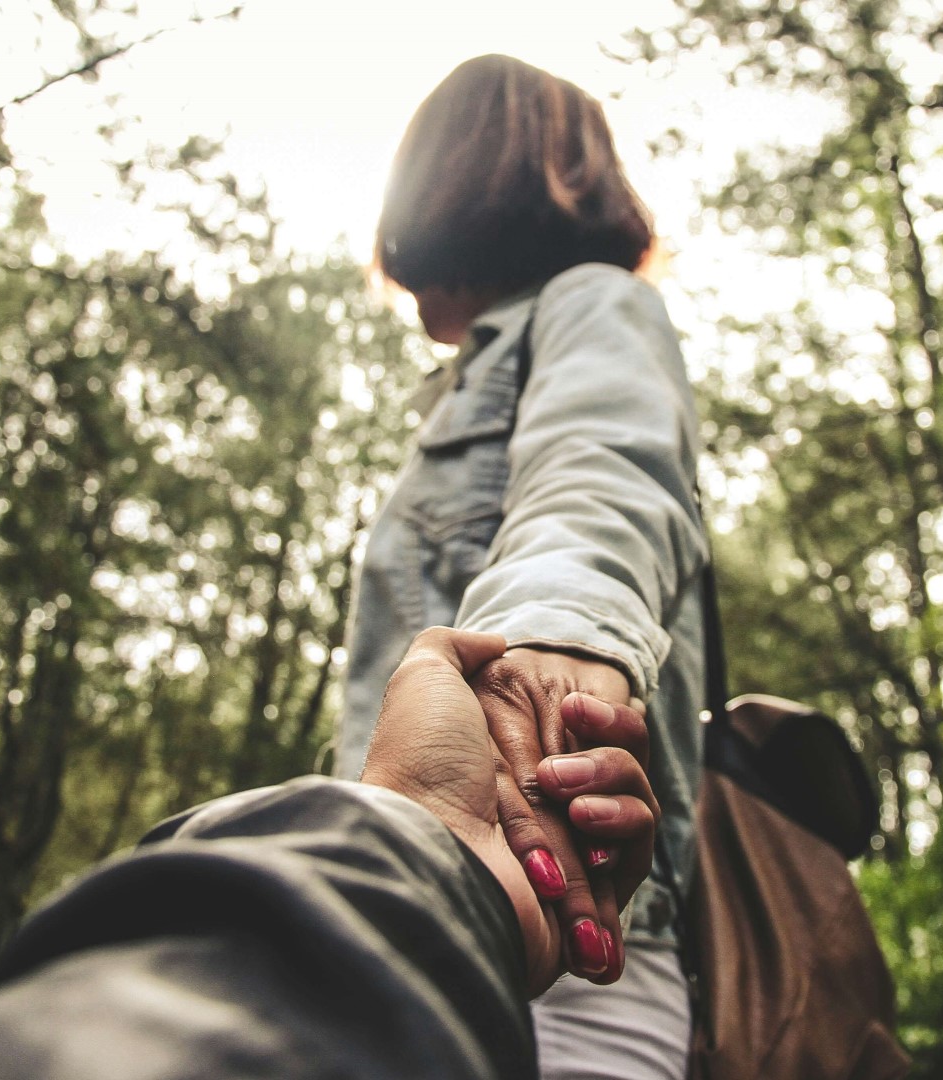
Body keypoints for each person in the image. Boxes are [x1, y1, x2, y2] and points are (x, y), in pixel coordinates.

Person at [335, 54, 709, 1079]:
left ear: (455, 179)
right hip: (410, 910)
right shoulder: (454, 392)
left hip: (567, 925)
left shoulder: (595, 306)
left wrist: (541, 660)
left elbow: (603, 478)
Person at [0, 628, 661, 1080]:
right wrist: (441, 844)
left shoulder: (571, 312)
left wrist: (559, 650)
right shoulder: (445, 387)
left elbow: (592, 475)